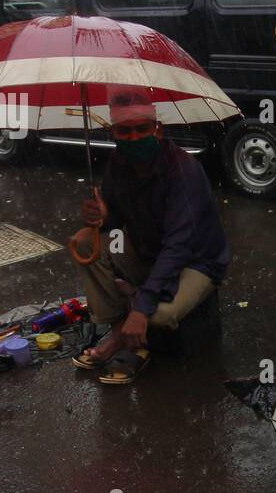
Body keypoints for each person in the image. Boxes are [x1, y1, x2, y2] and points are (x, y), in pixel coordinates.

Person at [71, 88, 230, 385]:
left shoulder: (185, 171)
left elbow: (179, 246)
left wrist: (142, 308)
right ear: (113, 132)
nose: (133, 138)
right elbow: (116, 219)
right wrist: (102, 217)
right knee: (84, 241)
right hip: (147, 250)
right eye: (124, 131)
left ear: (158, 130)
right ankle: (121, 324)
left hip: (196, 262)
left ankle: (123, 335)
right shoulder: (118, 163)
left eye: (142, 129)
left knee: (158, 315)